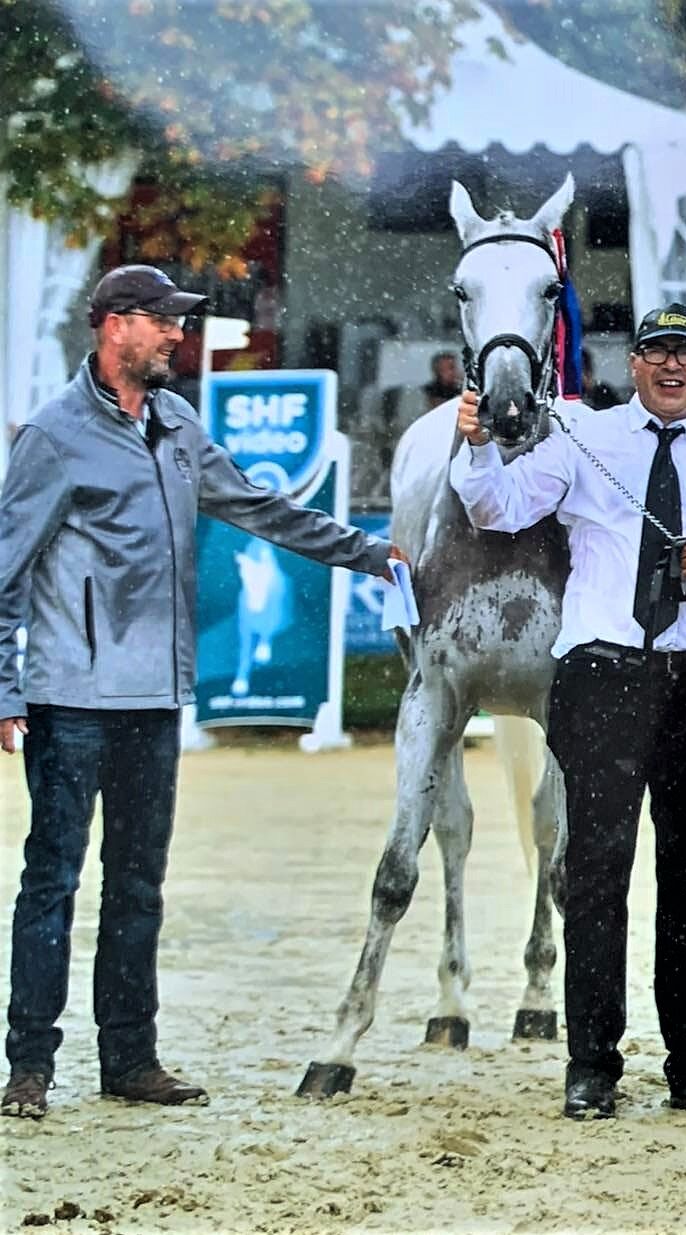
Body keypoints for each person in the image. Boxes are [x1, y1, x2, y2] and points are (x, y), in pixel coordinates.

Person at [1, 265, 400, 1120]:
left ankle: (129, 1059)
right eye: (163, 322)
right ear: (114, 327)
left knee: (139, 884)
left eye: (179, 324)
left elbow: (264, 509)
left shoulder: (178, 423)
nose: (177, 335)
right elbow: (5, 570)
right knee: (52, 881)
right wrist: (5, 686)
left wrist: (373, 553)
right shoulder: (52, 435)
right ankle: (29, 1067)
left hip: (156, 700)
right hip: (69, 696)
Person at [450, 302, 686, 1121]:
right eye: (655, 353)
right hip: (604, 679)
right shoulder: (584, 437)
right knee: (598, 876)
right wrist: (471, 443)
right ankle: (591, 1064)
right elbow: (496, 506)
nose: (671, 367)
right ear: (633, 363)